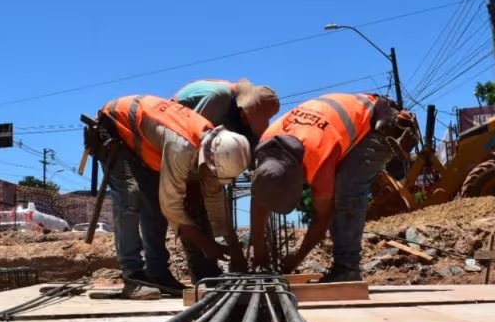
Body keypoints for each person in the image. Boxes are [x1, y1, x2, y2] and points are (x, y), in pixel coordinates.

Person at [249, 93, 417, 282]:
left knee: (346, 192)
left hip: (382, 124)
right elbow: (260, 195)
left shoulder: (317, 158)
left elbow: (322, 217)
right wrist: (259, 251)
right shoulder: (267, 144)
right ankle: (344, 266)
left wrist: (296, 259)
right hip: (351, 119)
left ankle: (347, 268)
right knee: (340, 186)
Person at [95, 94, 250, 297]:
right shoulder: (182, 147)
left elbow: (215, 200)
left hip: (141, 142)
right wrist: (206, 244)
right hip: (114, 127)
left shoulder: (215, 144)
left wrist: (232, 246)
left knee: (154, 204)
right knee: (130, 196)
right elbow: (172, 206)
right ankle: (132, 276)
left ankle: (157, 273)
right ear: (210, 161)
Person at [173, 78, 280, 147]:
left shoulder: (237, 113)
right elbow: (191, 137)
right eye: (250, 116)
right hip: (173, 131)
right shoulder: (220, 97)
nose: (248, 122)